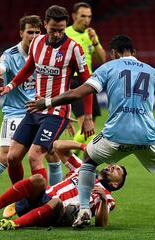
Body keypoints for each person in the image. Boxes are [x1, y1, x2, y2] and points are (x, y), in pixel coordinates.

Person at [26, 35, 155, 232]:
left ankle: (84, 210)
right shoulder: (152, 72)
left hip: (116, 134)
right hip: (147, 135)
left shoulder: (108, 67)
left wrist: (47, 102)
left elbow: (77, 93)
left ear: (113, 53)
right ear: (134, 53)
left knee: (88, 158)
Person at [0, 5, 95, 186]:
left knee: (34, 156)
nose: (56, 34)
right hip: (35, 108)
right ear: (45, 24)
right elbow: (28, 68)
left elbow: (89, 85)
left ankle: (43, 204)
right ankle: (20, 197)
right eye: (53, 30)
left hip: (56, 112)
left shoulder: (74, 49)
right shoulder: (37, 42)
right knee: (12, 157)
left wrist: (88, 116)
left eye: (61, 30)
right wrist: (9, 86)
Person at [0, 15, 45, 212]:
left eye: (38, 32)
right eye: (30, 32)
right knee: (6, 157)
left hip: (41, 110)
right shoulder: (10, 54)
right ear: (21, 33)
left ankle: (52, 199)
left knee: (51, 154)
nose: (34, 36)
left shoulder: (47, 52)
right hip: (16, 112)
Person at [0, 139, 127, 230]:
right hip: (40, 199)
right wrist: (83, 147)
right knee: (38, 179)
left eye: (118, 170)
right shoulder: (83, 168)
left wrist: (102, 199)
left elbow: (101, 224)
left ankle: (14, 224)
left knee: (57, 201)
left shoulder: (108, 198)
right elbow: (56, 145)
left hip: (58, 213)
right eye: (115, 165)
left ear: (114, 184)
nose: (114, 166)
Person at [65, 2, 106, 156]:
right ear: (74, 16)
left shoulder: (91, 34)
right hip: (73, 81)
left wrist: (95, 41)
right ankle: (82, 165)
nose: (87, 19)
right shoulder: (66, 34)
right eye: (83, 16)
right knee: (85, 127)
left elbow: (102, 59)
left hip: (89, 82)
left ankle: (75, 163)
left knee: (88, 130)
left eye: (89, 16)